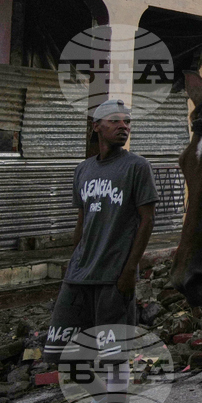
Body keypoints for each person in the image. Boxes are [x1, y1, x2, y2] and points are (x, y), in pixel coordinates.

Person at [44, 99, 158, 362]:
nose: (123, 126)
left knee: (111, 354)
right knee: (63, 351)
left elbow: (147, 221)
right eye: (115, 121)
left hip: (114, 274)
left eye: (127, 122)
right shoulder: (83, 169)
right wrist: (74, 261)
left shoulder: (137, 167)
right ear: (96, 126)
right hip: (80, 273)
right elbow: (82, 220)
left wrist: (130, 271)